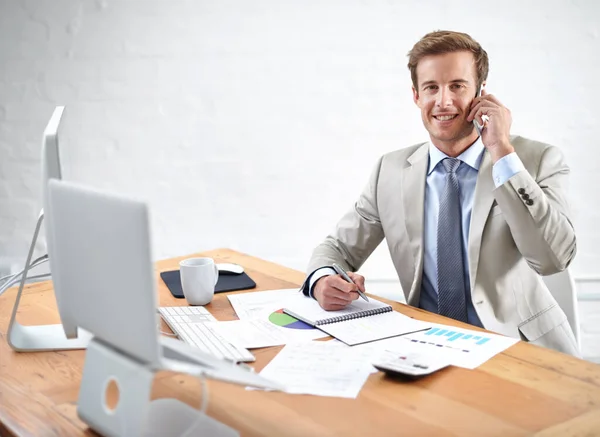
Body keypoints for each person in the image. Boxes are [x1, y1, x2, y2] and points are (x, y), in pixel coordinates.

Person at [301, 30, 579, 356]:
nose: (443, 101)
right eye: (432, 87)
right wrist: (321, 280)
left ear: (481, 93)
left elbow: (553, 259)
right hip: (428, 348)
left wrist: (502, 152)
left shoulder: (535, 160)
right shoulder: (389, 171)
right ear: (416, 96)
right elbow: (336, 248)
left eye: (457, 86)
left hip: (520, 350)